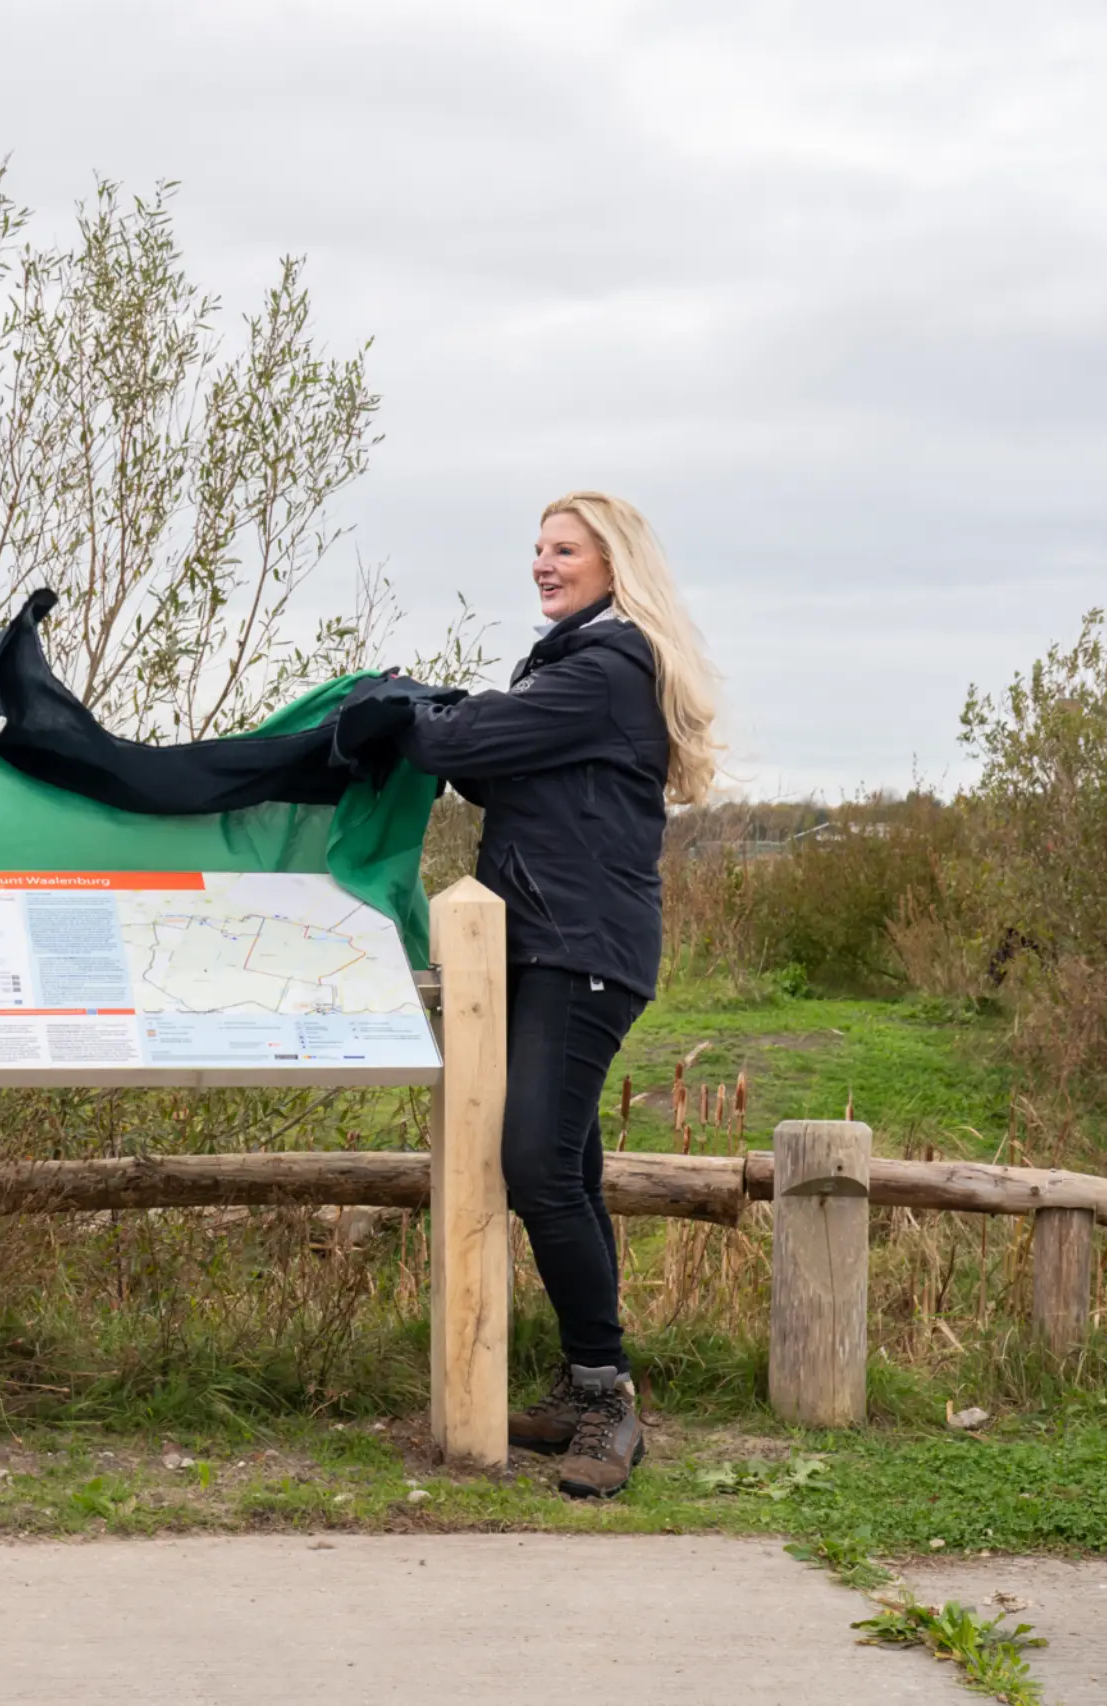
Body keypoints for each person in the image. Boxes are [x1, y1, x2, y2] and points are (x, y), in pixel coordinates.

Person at [385, 491, 720, 1498]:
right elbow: (494, 767)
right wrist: (437, 712)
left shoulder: (609, 670)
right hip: (546, 943)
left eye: (563, 549)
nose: (541, 563)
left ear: (613, 566)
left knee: (533, 1160)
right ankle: (586, 1384)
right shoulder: (569, 668)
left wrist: (402, 710)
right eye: (535, 548)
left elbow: (457, 751)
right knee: (564, 1168)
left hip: (582, 949)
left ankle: (609, 1396)